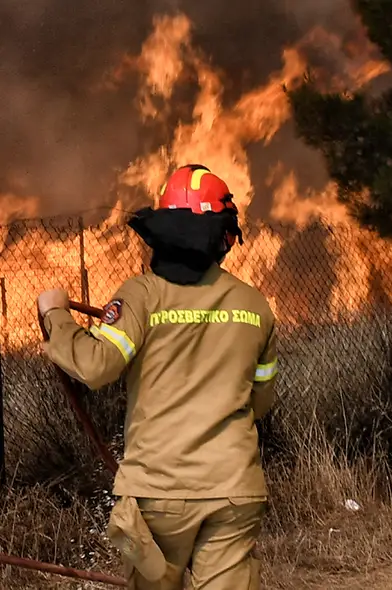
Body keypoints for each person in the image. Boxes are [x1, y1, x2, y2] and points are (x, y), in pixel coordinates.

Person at [37, 164, 279, 588]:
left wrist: (55, 313)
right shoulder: (255, 306)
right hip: (234, 491)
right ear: (223, 238)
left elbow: (95, 366)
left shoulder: (142, 295)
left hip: (158, 496)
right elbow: (260, 404)